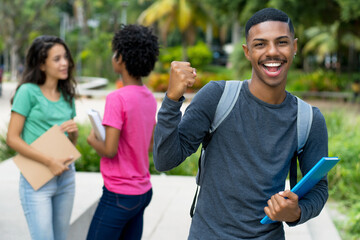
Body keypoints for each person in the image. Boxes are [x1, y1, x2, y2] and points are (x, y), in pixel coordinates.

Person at [153, 8, 328, 239]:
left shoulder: (309, 119)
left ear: (294, 47)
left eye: (282, 42)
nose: (272, 52)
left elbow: (318, 188)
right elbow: (165, 160)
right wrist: (172, 100)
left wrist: (296, 212)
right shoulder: (217, 97)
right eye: (260, 44)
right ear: (247, 51)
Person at [86, 24, 159, 240]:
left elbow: (109, 150)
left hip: (119, 194)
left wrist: (92, 139)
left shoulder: (117, 98)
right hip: (143, 191)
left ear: (121, 59)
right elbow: (149, 145)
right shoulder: (148, 96)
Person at [6, 36, 78, 240]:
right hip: (37, 178)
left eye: (65, 57)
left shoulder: (67, 95)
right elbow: (12, 138)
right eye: (57, 59)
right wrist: (49, 161)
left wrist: (73, 133)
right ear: (41, 64)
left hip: (66, 175)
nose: (64, 63)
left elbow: (70, 143)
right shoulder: (27, 92)